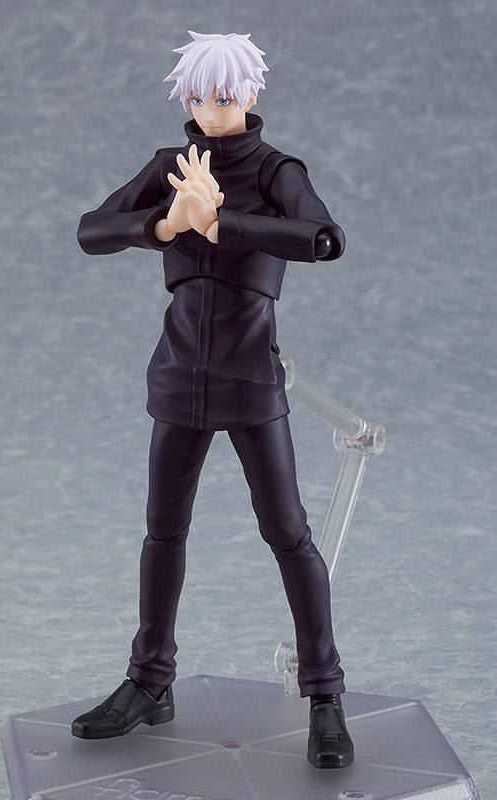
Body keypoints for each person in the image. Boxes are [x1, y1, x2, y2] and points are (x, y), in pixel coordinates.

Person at [71, 30, 354, 770]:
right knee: (162, 531)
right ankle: (149, 680)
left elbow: (323, 237)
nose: (211, 107)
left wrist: (223, 225)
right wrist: (166, 224)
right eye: (198, 95)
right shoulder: (170, 166)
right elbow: (92, 229)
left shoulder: (275, 169)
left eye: (224, 95)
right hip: (177, 375)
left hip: (251, 378)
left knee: (287, 532)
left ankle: (326, 694)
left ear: (251, 93)